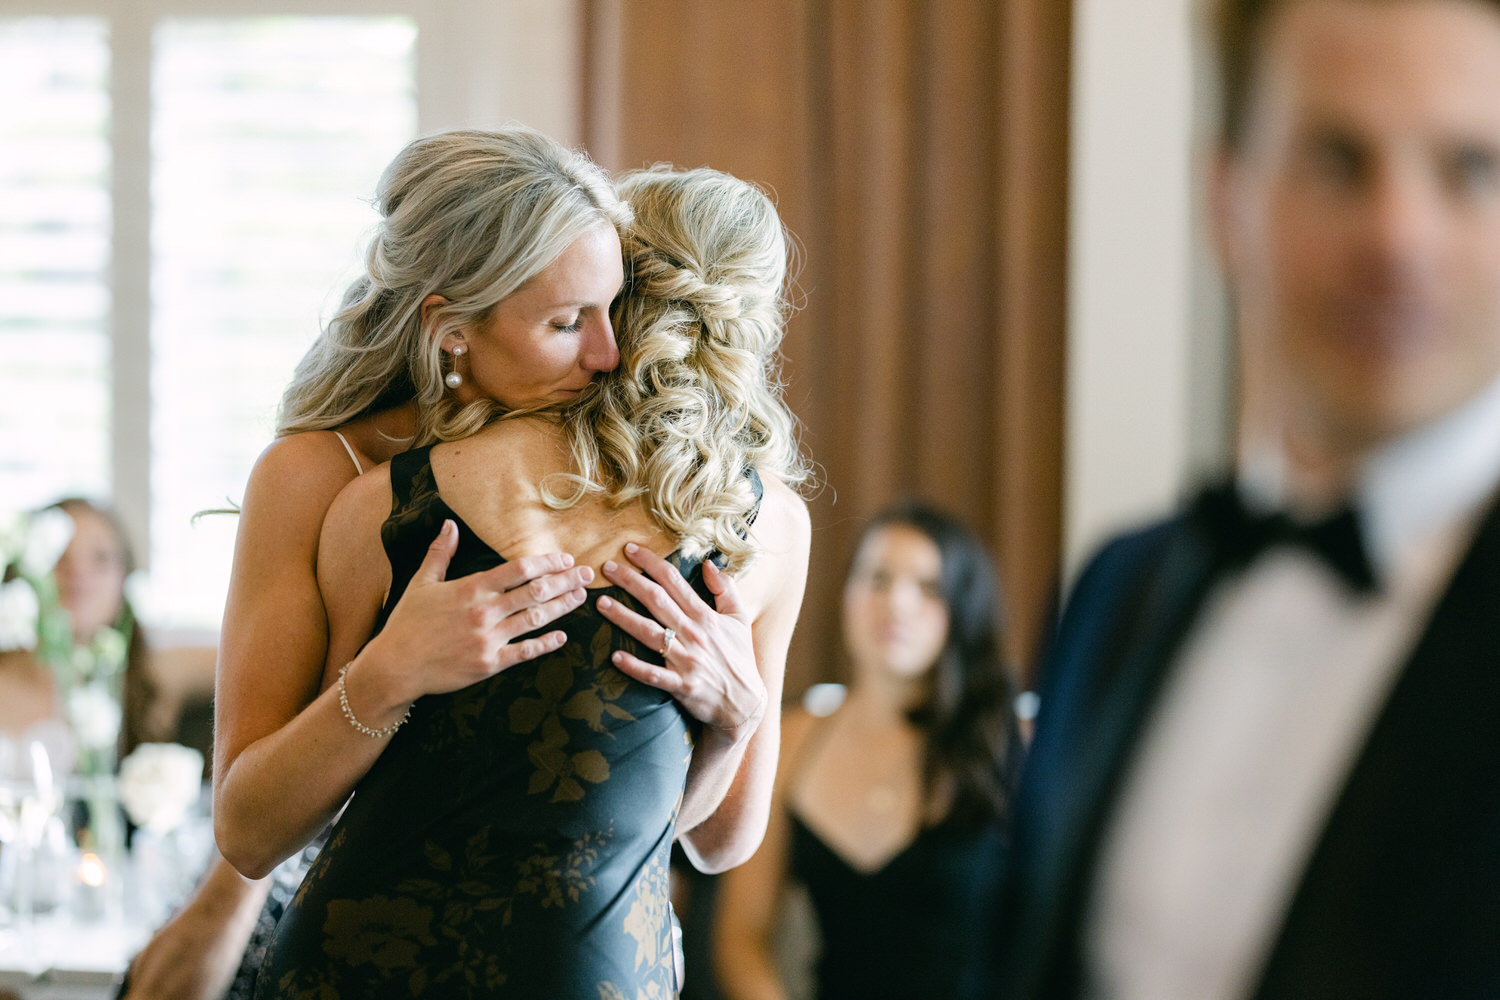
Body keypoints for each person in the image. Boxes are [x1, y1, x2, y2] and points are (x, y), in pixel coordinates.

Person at [124, 130, 764, 1000]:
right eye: (566, 323)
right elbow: (247, 828)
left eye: (614, 308)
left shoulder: (630, 475)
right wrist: (391, 671)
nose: (610, 355)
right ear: (451, 329)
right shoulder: (321, 476)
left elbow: (673, 825)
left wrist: (735, 717)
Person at [996, 1, 1500, 997]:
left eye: (1468, 169)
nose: (1399, 237)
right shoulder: (1117, 594)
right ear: (1227, 197)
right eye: (1337, 160)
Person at [715, 503, 1017, 1000]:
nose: (897, 602)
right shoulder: (788, 740)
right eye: (877, 578)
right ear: (846, 596)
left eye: (928, 588)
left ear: (961, 610)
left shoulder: (1007, 745)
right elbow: (742, 940)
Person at [0, 498, 161, 767]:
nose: (78, 572)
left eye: (101, 558)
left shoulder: (146, 671)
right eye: (59, 555)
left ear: (125, 577)